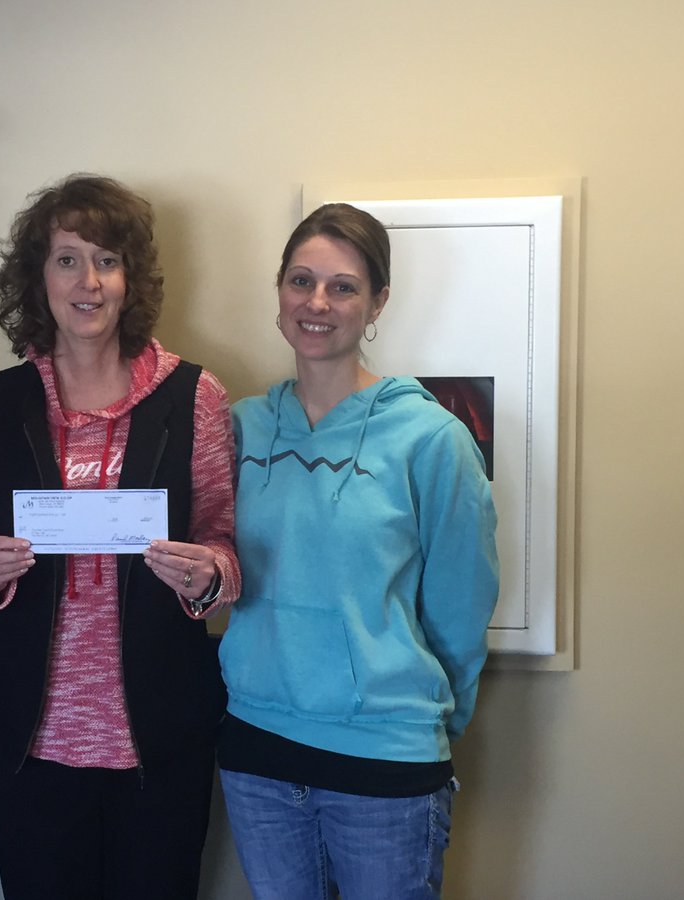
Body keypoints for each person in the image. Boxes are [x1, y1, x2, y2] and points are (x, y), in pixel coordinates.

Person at [0, 174, 240, 900]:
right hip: (31, 741)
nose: (89, 281)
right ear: (37, 277)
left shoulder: (192, 396)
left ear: (130, 278)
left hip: (161, 736)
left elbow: (226, 546)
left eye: (107, 261)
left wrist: (207, 575)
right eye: (68, 259)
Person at [217, 202, 499, 899]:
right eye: (300, 280)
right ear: (278, 290)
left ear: (378, 303)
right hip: (257, 754)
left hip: (386, 764)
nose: (318, 302)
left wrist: (420, 719)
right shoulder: (237, 429)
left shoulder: (432, 439)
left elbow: (462, 608)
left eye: (343, 286)